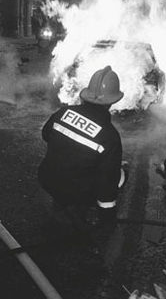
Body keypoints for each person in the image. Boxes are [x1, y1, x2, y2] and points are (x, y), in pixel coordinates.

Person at [39, 66, 128, 232]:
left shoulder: (63, 112)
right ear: (111, 102)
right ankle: (80, 210)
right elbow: (108, 182)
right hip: (77, 192)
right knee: (120, 174)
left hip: (47, 179)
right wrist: (107, 218)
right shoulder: (109, 136)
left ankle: (60, 203)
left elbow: (46, 135)